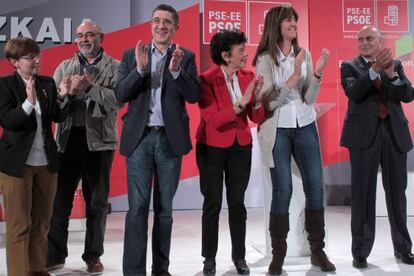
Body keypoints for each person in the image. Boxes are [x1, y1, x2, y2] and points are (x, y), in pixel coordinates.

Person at [115, 4, 201, 276]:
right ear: (151, 25)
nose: (161, 26)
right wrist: (139, 70)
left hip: (168, 141)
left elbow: (194, 95)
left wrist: (176, 72)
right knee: (137, 209)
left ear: (176, 27)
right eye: (156, 21)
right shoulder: (132, 55)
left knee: (165, 211)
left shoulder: (185, 56)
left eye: (167, 22)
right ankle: (133, 272)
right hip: (139, 140)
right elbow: (120, 94)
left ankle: (160, 270)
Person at [252, 6, 335, 275]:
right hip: (279, 130)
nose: (293, 23)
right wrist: (293, 77)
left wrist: (317, 73)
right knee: (283, 190)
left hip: (305, 125)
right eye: (288, 19)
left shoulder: (305, 54)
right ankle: (278, 255)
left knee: (315, 187)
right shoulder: (265, 58)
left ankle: (317, 251)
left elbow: (309, 98)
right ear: (276, 23)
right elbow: (268, 102)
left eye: (294, 19)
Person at [47, 21, 121, 274]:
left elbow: (117, 102)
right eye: (80, 35)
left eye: (90, 34)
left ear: (101, 37)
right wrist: (64, 94)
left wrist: (90, 88)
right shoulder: (64, 66)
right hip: (67, 142)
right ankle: (54, 255)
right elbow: (53, 108)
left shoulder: (115, 67)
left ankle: (93, 256)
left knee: (97, 203)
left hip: (100, 143)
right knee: (59, 203)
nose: (84, 39)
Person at [341, 25, 414, 269]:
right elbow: (354, 92)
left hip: (393, 135)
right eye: (360, 39)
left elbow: (408, 94)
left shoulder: (396, 64)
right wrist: (374, 70)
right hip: (363, 138)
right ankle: (360, 252)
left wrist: (392, 74)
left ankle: (404, 249)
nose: (364, 42)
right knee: (363, 195)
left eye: (369, 38)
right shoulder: (349, 66)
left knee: (397, 196)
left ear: (380, 40)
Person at [196, 29, 265, 275]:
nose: (245, 55)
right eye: (240, 51)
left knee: (237, 204)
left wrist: (256, 101)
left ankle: (240, 257)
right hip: (211, 148)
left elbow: (255, 117)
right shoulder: (206, 80)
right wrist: (242, 101)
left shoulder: (248, 76)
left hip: (241, 148)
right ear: (226, 56)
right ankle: (209, 259)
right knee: (212, 203)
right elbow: (213, 120)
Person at [0, 37, 69, 276]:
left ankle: (37, 269)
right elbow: (9, 121)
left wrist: (62, 97)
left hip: (46, 163)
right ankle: (19, 273)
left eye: (37, 55)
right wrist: (29, 103)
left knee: (41, 223)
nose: (36, 60)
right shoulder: (5, 86)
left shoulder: (47, 83)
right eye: (30, 57)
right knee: (20, 226)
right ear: (14, 62)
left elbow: (57, 117)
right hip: (17, 165)